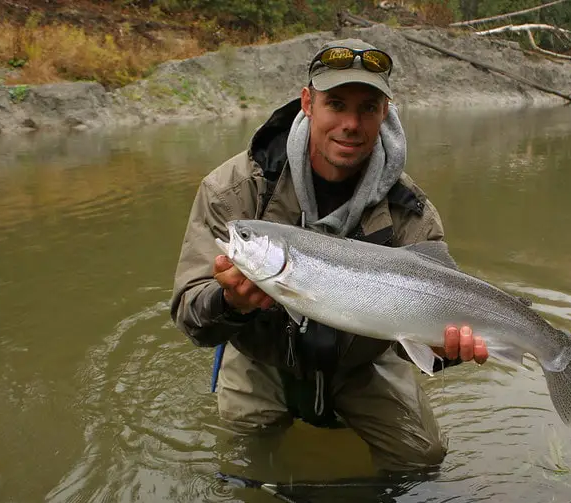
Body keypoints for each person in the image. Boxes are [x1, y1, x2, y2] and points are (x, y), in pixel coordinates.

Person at [170, 38, 488, 472]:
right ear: (307, 103)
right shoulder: (235, 190)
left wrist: (446, 351)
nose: (351, 124)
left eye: (368, 108)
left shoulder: (410, 212)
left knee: (423, 461)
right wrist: (230, 303)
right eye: (336, 104)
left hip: (362, 365)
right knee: (245, 458)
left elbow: (411, 346)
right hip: (262, 360)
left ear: (385, 114)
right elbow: (192, 319)